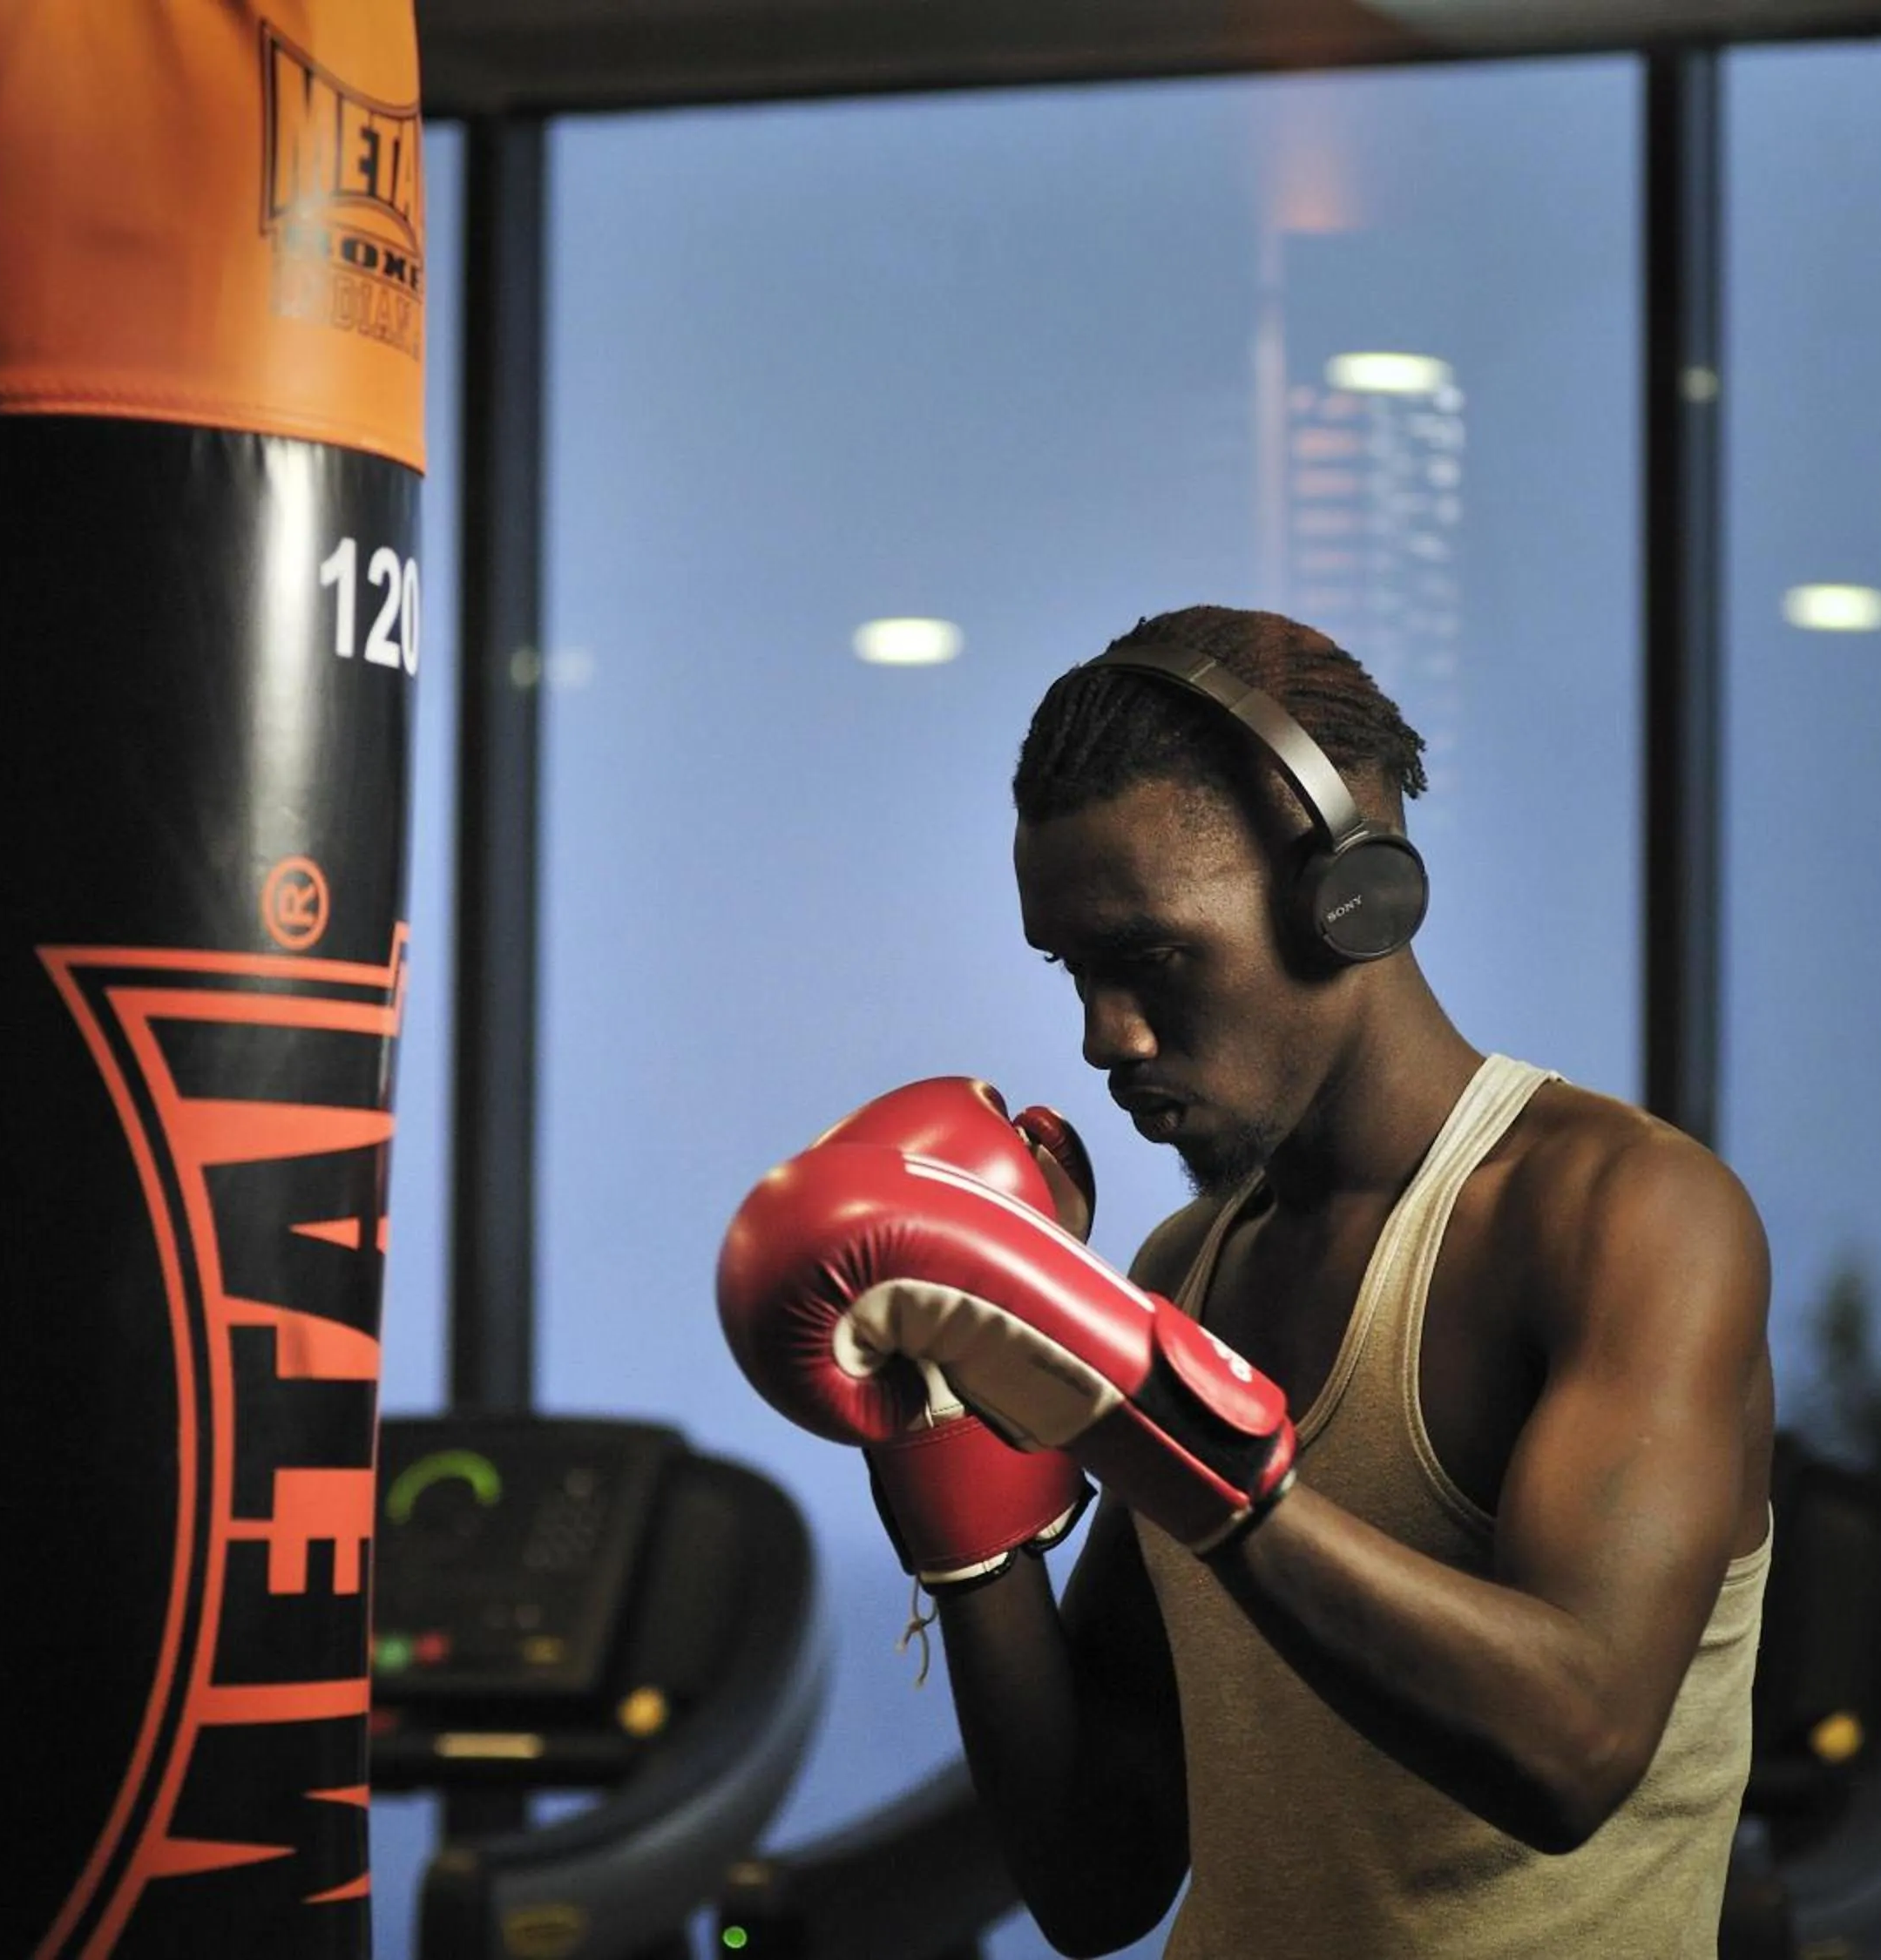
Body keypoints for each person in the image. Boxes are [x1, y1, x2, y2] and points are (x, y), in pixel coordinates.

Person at [718, 605, 1775, 1958]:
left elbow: (1572, 1750)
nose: (1106, 1033)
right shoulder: (1189, 1272)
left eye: (1149, 957)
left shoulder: (1629, 1219)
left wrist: (1129, 1406)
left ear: (1347, 897)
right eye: (1076, 970)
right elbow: (1099, 1873)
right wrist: (946, 1455)